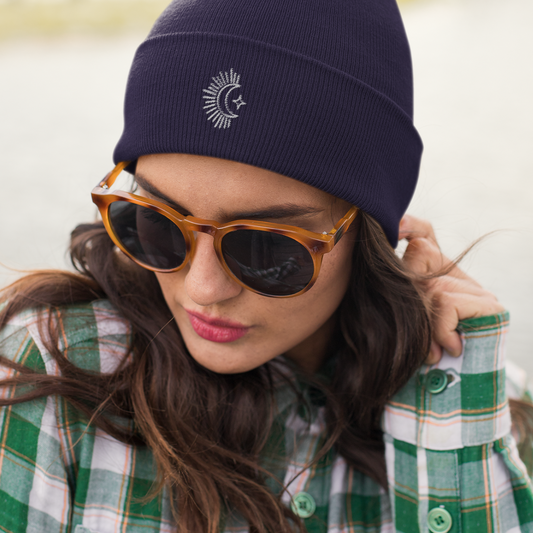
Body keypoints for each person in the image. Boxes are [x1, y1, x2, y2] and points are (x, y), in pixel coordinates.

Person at [1, 0, 532, 532]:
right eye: (159, 226)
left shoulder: (485, 400)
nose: (204, 289)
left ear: (371, 235)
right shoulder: (46, 374)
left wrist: (449, 407)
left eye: (266, 249)